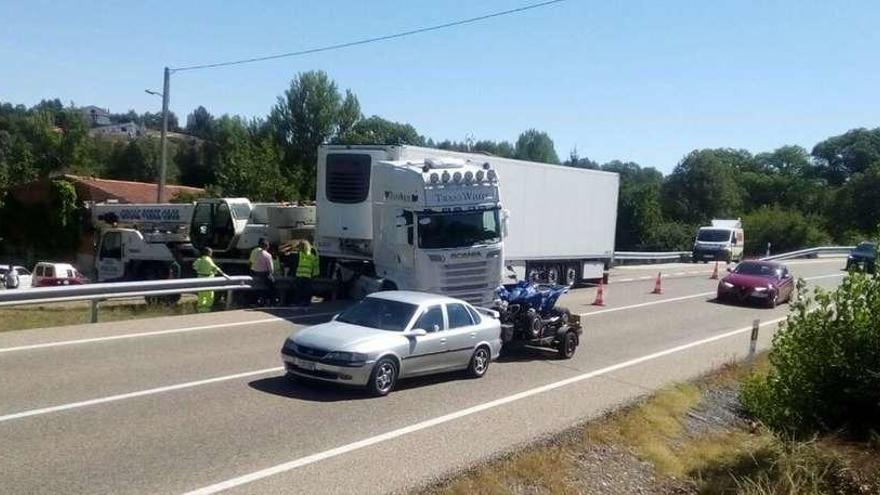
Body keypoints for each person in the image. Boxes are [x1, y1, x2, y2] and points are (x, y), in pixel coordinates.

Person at [192, 247, 228, 312]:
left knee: (201, 294)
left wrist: (200, 270)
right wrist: (223, 274)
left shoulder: (199, 259)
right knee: (209, 295)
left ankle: (200, 309)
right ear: (208, 253)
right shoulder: (208, 259)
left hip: (200, 278)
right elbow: (215, 268)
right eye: (211, 252)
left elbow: (194, 267)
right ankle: (206, 309)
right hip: (208, 279)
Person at [293, 241, 319, 306]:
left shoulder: (299, 254)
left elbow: (295, 265)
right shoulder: (312, 256)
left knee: (298, 291)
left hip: (299, 275)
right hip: (308, 276)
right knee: (306, 291)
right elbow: (315, 266)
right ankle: (305, 303)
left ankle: (297, 303)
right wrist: (315, 275)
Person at [251, 239, 275, 306]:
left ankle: (256, 300)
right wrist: (271, 274)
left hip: (254, 272)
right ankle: (271, 301)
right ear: (267, 246)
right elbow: (271, 269)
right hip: (263, 273)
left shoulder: (254, 251)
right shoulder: (268, 255)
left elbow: (251, 261)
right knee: (272, 285)